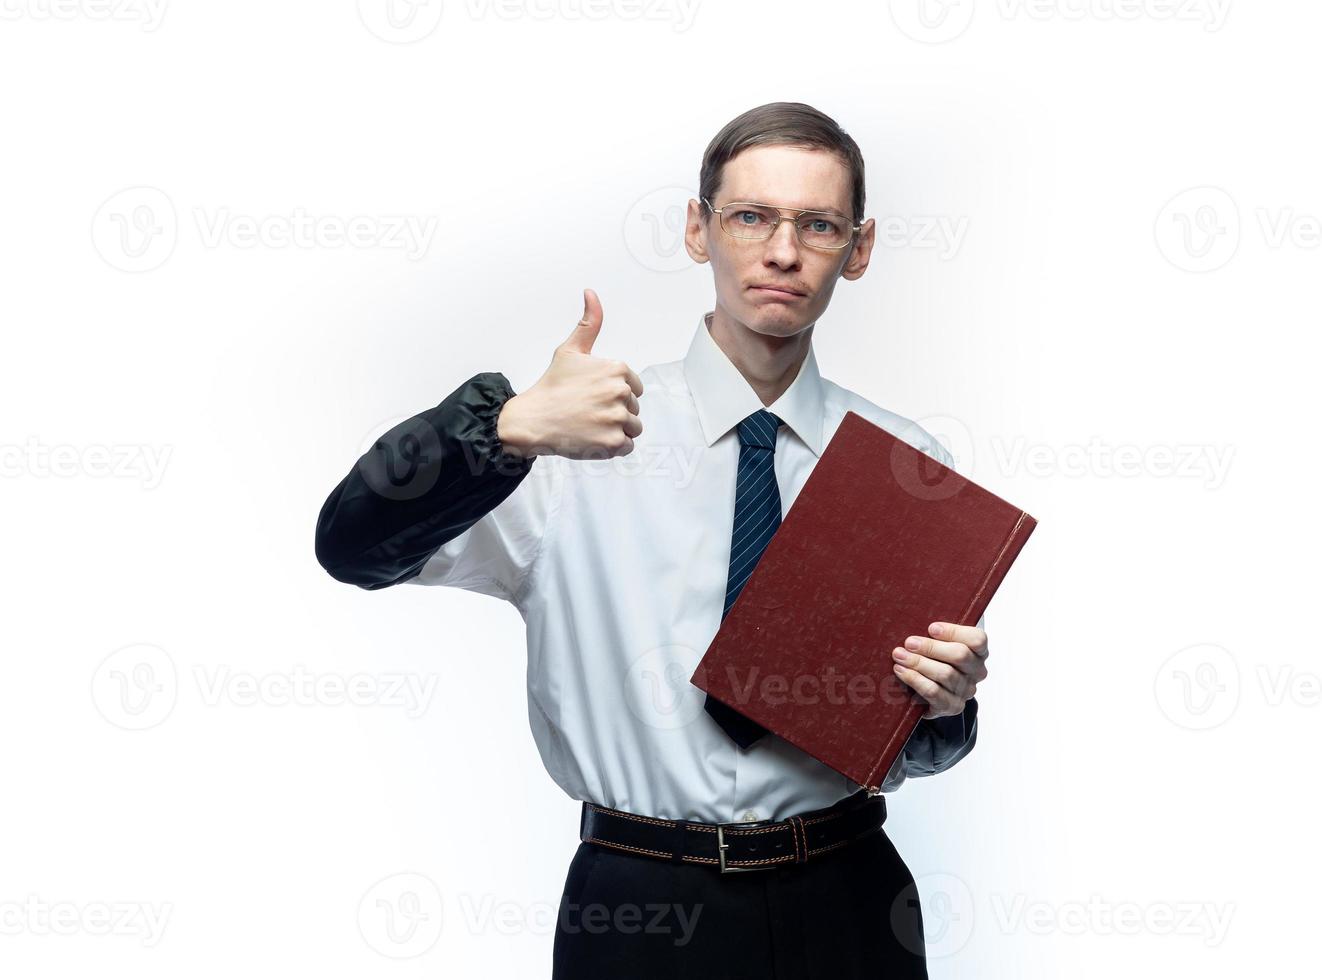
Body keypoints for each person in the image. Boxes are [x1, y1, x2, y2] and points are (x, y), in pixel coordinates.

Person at [314, 101, 989, 979]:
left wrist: (946, 705)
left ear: (857, 250)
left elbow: (913, 741)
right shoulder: (568, 440)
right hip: (639, 909)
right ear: (697, 230)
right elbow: (351, 546)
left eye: (817, 225)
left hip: (849, 902)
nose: (782, 252)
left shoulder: (904, 464)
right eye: (750, 216)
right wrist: (504, 428)